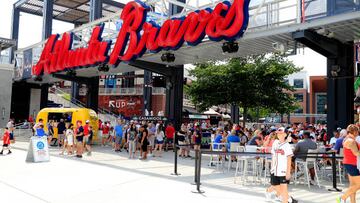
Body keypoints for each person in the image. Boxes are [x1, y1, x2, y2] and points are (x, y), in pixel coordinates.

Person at [265, 127, 297, 203]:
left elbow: (289, 158)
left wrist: (288, 172)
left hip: (282, 170)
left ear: (285, 134)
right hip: (274, 170)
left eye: (281, 132)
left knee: (283, 190)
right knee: (278, 189)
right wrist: (272, 168)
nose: (279, 134)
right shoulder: (275, 142)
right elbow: (273, 156)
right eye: (278, 132)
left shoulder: (287, 145)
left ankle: (287, 200)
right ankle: (289, 199)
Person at [337, 124, 360, 203]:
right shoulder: (351, 141)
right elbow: (357, 153)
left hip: (349, 163)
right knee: (358, 185)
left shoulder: (348, 139)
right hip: (351, 164)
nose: (358, 133)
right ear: (354, 131)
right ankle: (342, 198)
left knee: (353, 185)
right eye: (357, 131)